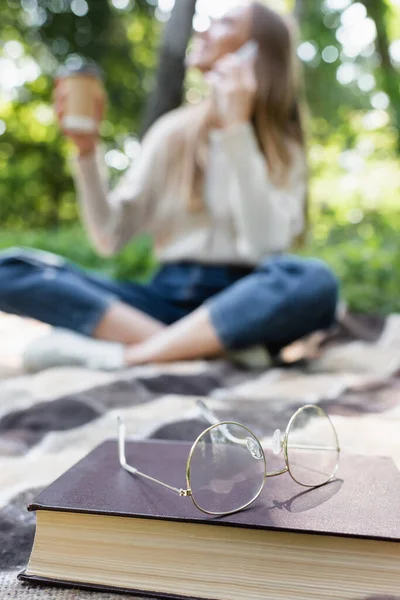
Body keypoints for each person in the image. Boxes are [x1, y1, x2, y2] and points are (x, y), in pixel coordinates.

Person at [0, 2, 338, 371]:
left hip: (248, 301)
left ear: (257, 52)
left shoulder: (284, 148)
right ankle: (212, 349)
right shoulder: (172, 132)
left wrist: (237, 130)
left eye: (225, 23)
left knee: (314, 281)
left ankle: (130, 354)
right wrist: (86, 153)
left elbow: (263, 245)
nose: (204, 28)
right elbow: (110, 237)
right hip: (165, 297)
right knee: (12, 268)